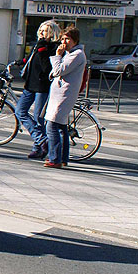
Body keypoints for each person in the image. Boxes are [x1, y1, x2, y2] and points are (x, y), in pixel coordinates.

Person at [15, 20, 61, 159]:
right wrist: (18, 62)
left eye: (45, 30)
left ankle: (39, 147)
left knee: (38, 118)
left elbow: (47, 68)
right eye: (41, 29)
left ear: (52, 33)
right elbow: (30, 60)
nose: (42, 32)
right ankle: (42, 141)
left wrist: (42, 50)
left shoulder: (54, 47)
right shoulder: (39, 45)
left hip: (42, 86)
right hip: (30, 84)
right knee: (20, 111)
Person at [43, 26, 87, 168]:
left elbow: (59, 70)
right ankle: (62, 158)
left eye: (67, 39)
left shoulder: (77, 54)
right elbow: (58, 71)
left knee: (52, 125)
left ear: (75, 40)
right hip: (60, 93)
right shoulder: (70, 54)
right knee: (62, 127)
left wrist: (57, 55)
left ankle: (55, 159)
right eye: (62, 38)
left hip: (64, 94)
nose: (64, 42)